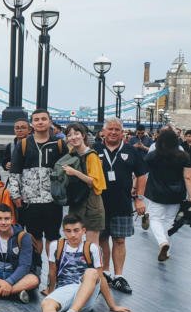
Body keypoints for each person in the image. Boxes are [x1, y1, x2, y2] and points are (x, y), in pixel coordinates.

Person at [22, 215, 130, 312]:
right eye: (68, 231)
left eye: (76, 230)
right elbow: (52, 273)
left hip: (86, 293)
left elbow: (101, 278)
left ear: (83, 231)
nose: (73, 235)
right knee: (47, 304)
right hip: (65, 289)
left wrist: (112, 306)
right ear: (64, 231)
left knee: (92, 272)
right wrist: (51, 293)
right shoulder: (55, 246)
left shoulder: (92, 248)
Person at [9, 109, 66, 272]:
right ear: (32, 124)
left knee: (53, 237)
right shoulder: (23, 144)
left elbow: (67, 169)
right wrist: (16, 195)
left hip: (53, 200)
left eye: (43, 119)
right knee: (34, 237)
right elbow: (15, 172)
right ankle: (36, 270)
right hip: (30, 201)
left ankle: (53, 272)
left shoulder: (59, 144)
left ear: (50, 121)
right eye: (36, 119)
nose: (40, 122)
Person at [94, 118, 147, 293]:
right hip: (98, 203)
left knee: (119, 239)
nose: (113, 132)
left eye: (117, 129)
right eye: (110, 129)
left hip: (122, 202)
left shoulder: (131, 151)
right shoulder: (94, 150)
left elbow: (142, 175)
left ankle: (118, 276)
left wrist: (139, 198)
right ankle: (105, 273)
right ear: (103, 131)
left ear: (122, 132)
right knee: (101, 238)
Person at [141, 126, 191, 261]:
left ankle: (163, 243)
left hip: (157, 193)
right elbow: (188, 177)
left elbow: (142, 173)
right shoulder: (184, 156)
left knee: (155, 219)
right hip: (176, 194)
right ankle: (167, 250)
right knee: (169, 221)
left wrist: (136, 189)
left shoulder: (153, 155)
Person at [62, 122, 107, 245]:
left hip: (92, 203)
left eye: (76, 134)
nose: (73, 137)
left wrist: (75, 172)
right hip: (76, 202)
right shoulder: (71, 155)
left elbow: (94, 182)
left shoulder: (92, 155)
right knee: (74, 241)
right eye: (69, 135)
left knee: (92, 245)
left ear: (83, 135)